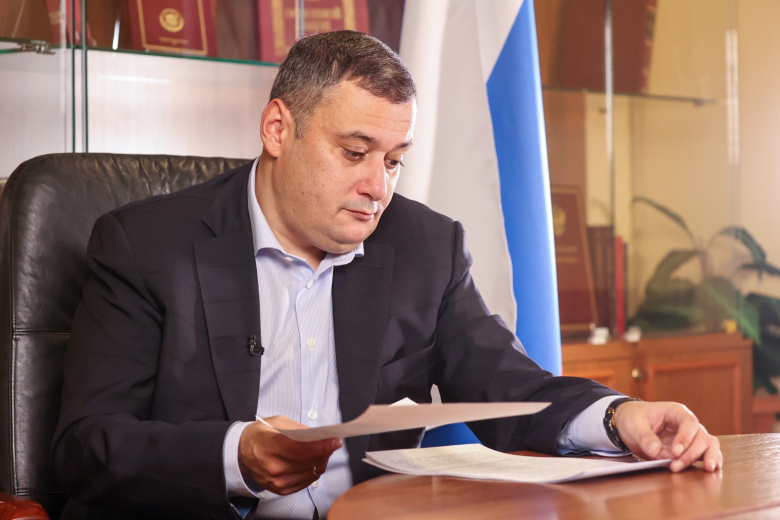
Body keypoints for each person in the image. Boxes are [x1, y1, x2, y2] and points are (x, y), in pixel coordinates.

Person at [52, 30, 721, 520]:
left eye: (395, 160)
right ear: (278, 129)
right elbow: (87, 447)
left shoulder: (424, 246)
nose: (379, 188)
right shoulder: (145, 246)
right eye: (355, 152)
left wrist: (621, 417)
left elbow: (511, 386)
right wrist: (238, 455)